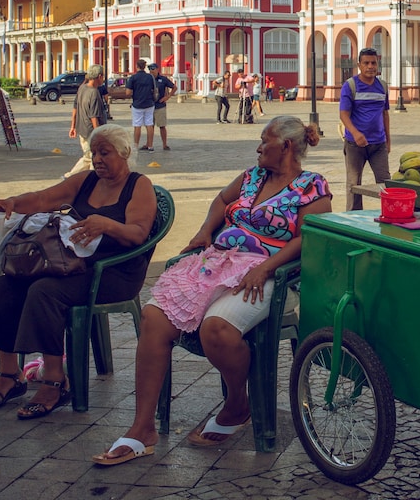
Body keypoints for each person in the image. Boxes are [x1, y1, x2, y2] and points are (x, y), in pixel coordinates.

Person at [92, 116, 330, 466]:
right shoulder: (251, 176)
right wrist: (206, 231)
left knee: (216, 328)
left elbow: (306, 238)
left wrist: (265, 267)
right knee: (153, 317)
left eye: (264, 141)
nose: (258, 147)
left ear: (286, 146)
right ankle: (142, 429)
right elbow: (221, 201)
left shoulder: (312, 185)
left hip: (269, 275)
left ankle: (238, 404)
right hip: (218, 263)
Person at [0, 124, 158, 420]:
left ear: (123, 153)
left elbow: (138, 234)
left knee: (44, 291)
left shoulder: (139, 185)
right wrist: (13, 203)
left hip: (114, 272)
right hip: (73, 264)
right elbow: (44, 199)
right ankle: (10, 373)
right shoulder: (85, 180)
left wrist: (106, 224)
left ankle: (55, 381)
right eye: (93, 152)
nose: (97, 159)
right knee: (6, 286)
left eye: (104, 152)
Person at [339, 47, 391, 211]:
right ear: (359, 65)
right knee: (354, 185)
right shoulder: (350, 86)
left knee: (385, 182)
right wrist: (355, 133)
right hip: (355, 145)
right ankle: (353, 219)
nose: (370, 66)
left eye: (373, 63)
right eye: (366, 63)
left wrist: (388, 140)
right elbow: (344, 115)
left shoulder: (382, 86)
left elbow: (385, 114)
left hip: (378, 145)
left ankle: (391, 213)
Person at [66, 65, 108, 177]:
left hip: (82, 129)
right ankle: (80, 178)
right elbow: (93, 116)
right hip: (90, 131)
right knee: (93, 158)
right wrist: (98, 133)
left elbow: (75, 107)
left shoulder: (82, 88)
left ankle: (72, 176)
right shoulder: (93, 92)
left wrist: (73, 126)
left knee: (88, 157)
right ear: (99, 76)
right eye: (102, 76)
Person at [124, 59, 158, 152]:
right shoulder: (150, 77)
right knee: (149, 124)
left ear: (136, 66)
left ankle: (135, 145)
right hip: (150, 103)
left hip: (137, 104)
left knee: (137, 125)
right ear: (145, 67)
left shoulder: (133, 78)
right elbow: (154, 89)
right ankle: (150, 146)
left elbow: (128, 92)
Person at [148, 63, 177, 150]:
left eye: (153, 69)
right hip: (149, 105)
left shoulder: (163, 79)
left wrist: (168, 96)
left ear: (157, 69)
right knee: (150, 126)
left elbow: (174, 87)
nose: (151, 71)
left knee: (162, 126)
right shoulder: (148, 79)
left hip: (160, 105)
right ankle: (149, 144)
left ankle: (164, 144)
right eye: (150, 69)